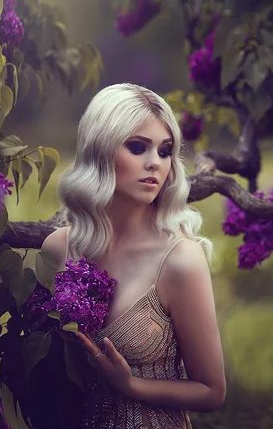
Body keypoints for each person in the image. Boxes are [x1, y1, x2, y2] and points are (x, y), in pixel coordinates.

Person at [40, 83, 226, 428]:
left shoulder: (180, 260)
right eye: (138, 147)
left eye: (166, 150)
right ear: (101, 149)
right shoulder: (58, 248)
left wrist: (132, 385)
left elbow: (212, 391)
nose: (155, 163)